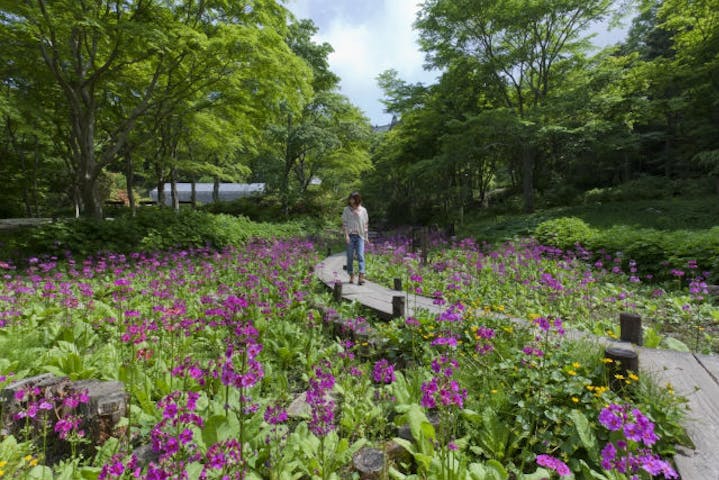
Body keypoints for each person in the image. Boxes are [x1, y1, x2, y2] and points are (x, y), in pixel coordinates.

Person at [341, 191, 369, 284]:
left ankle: (361, 276)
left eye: (353, 199)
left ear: (357, 199)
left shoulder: (363, 210)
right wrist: (346, 236)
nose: (351, 200)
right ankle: (351, 275)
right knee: (350, 257)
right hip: (350, 236)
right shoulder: (346, 210)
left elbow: (365, 224)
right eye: (350, 198)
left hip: (360, 236)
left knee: (360, 255)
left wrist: (366, 237)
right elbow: (344, 224)